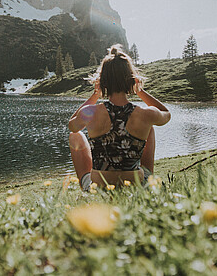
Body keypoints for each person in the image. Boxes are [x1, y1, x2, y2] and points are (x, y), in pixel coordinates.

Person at [68, 44, 171, 191]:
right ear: (131, 79)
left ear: (102, 82)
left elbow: (72, 125)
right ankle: (147, 183)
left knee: (75, 136)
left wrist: (95, 95)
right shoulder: (146, 114)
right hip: (135, 185)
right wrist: (139, 91)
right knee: (149, 128)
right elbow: (166, 113)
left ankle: (89, 192)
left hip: (100, 187)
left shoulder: (90, 112)